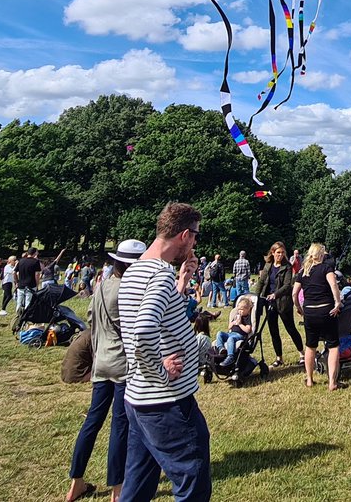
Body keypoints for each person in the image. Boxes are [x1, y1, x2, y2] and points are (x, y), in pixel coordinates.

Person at [117, 202, 209, 502]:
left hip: (139, 399)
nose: (195, 242)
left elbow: (162, 317)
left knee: (139, 482)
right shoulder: (159, 274)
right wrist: (160, 370)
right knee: (192, 480)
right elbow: (143, 330)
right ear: (184, 235)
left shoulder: (136, 270)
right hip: (165, 402)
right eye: (194, 235)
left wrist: (182, 283)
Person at [66, 239, 143, 502]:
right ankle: (117, 488)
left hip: (100, 361)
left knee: (92, 422)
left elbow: (90, 319)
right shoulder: (129, 289)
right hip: (122, 364)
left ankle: (76, 482)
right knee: (120, 426)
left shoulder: (102, 285)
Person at [293, 242, 344, 391]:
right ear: (321, 255)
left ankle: (309, 379)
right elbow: (334, 285)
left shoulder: (303, 271)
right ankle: (332, 383)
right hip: (326, 310)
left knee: (310, 346)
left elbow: (294, 293)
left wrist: (298, 308)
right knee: (333, 346)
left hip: (309, 311)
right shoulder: (326, 268)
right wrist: (337, 303)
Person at [254, 242, 304, 368]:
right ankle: (279, 358)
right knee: (273, 330)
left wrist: (275, 294)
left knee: (290, 328)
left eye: (282, 253)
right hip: (269, 302)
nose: (280, 255)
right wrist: (255, 297)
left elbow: (287, 285)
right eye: (278, 253)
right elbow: (261, 282)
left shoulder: (287, 266)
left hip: (283, 302)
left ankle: (302, 354)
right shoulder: (268, 265)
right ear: (272, 253)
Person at [213, 297, 254, 369]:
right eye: (239, 309)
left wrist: (240, 324)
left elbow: (248, 330)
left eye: (242, 310)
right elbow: (229, 327)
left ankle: (230, 357)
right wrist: (233, 322)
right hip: (231, 333)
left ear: (247, 310)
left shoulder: (247, 318)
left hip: (240, 335)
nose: (240, 311)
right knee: (219, 333)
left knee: (230, 339)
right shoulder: (236, 316)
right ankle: (221, 349)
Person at [14, 249, 42, 316]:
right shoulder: (36, 262)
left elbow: (14, 272)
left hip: (21, 284)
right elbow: (37, 274)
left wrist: (16, 282)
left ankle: (18, 316)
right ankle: (26, 317)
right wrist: (37, 284)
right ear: (35, 253)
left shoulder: (21, 261)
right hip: (31, 285)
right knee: (28, 302)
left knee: (19, 302)